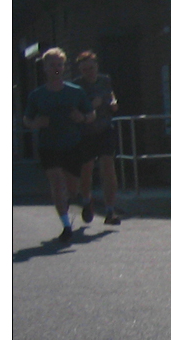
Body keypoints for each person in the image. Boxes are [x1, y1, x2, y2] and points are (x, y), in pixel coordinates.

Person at [22, 47, 95, 244]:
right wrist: (36, 123)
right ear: (44, 68)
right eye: (52, 65)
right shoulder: (37, 95)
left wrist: (82, 117)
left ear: (64, 67)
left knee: (72, 188)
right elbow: (27, 120)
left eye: (59, 65)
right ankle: (66, 226)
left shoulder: (75, 92)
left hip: (72, 144)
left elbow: (90, 115)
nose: (56, 68)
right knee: (56, 182)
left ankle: (83, 200)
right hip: (49, 145)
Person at [73, 51, 121, 225]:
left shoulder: (104, 80)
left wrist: (113, 103)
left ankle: (110, 211)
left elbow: (111, 94)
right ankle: (86, 201)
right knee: (87, 169)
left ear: (96, 66)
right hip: (85, 132)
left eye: (91, 68)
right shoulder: (77, 86)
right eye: (85, 69)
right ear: (80, 70)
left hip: (105, 128)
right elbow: (74, 110)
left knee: (108, 167)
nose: (89, 72)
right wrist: (90, 107)